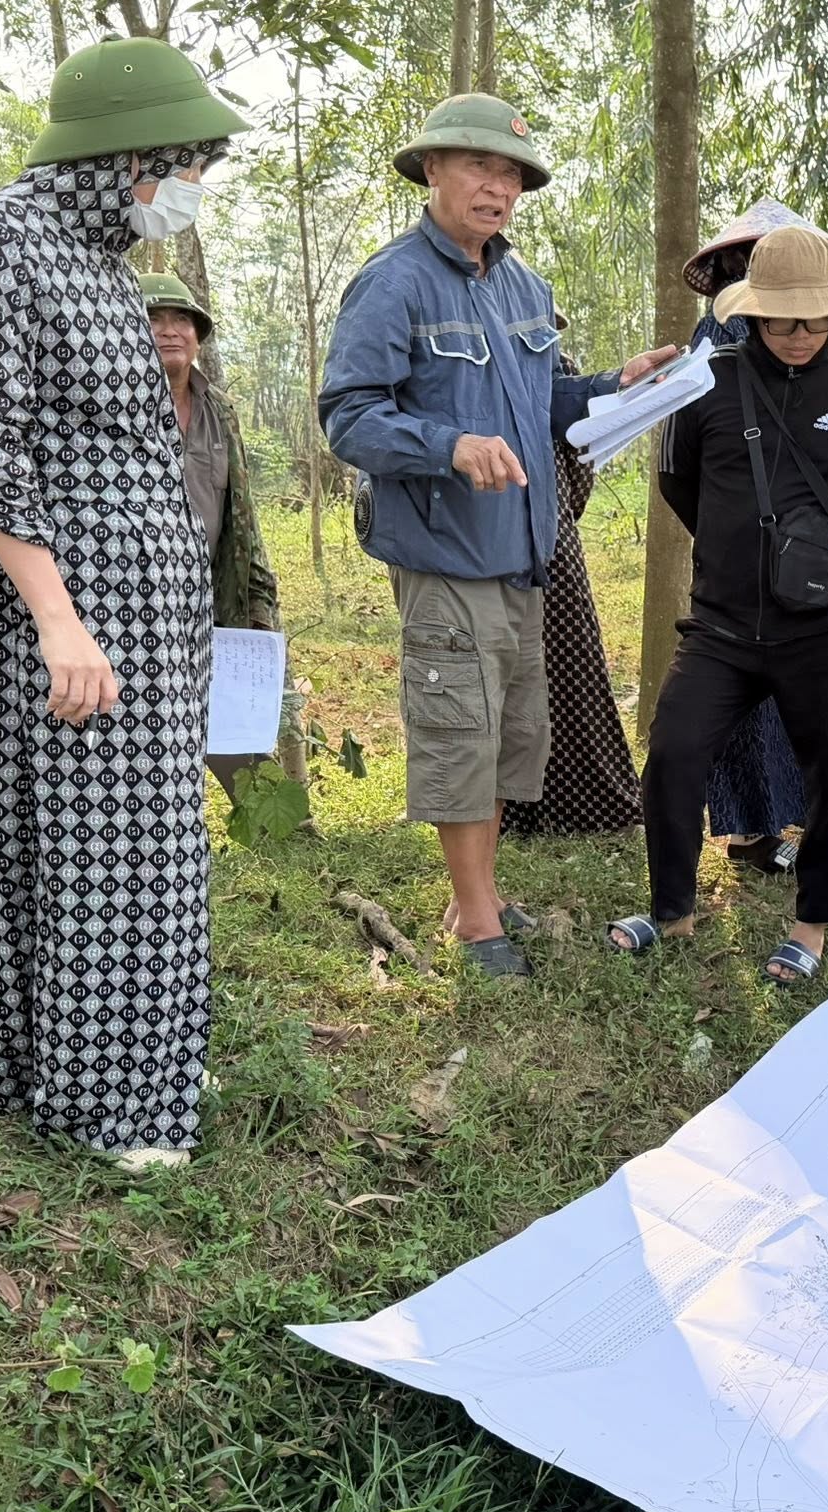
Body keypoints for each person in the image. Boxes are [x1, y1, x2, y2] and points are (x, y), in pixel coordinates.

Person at [0, 36, 250, 1172]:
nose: (191, 187)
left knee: (154, 841)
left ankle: (137, 1045)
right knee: (96, 845)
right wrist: (59, 620)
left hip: (153, 612)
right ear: (128, 153)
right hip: (76, 614)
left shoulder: (106, 264)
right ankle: (109, 1102)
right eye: (187, 164)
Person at [318, 93, 676, 978]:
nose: (497, 187)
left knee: (511, 732)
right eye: (478, 167)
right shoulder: (393, 281)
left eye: (512, 174)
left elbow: (539, 405)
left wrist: (609, 386)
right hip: (447, 554)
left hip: (523, 554)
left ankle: (470, 893)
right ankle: (479, 923)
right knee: (459, 732)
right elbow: (348, 416)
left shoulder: (524, 286)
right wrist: (448, 445)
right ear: (431, 170)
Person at [609, 225, 828, 984]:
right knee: (673, 752)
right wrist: (739, 552)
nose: (798, 335)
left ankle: (811, 926)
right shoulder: (707, 383)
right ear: (752, 313)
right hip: (722, 628)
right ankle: (671, 909)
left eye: (813, 320)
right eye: (780, 320)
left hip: (824, 627)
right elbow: (679, 483)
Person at [680, 198, 828, 878]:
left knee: (806, 724)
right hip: (736, 587)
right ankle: (752, 832)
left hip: (808, 581)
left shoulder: (819, 349)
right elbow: (684, 473)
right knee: (738, 725)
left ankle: (804, 830)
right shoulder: (713, 349)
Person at [138, 271, 302, 805]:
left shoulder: (219, 409)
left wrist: (257, 593)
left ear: (197, 334)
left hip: (217, 586)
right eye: (155, 319)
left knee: (243, 704)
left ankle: (273, 818)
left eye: (181, 319)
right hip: (143, 598)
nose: (169, 331)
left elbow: (242, 512)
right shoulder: (120, 411)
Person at [499, 336, 643, 837]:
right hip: (547, 535)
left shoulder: (528, 372)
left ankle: (516, 811)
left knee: (528, 671)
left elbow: (580, 451)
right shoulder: (554, 369)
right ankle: (567, 807)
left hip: (529, 538)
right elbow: (582, 461)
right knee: (561, 668)